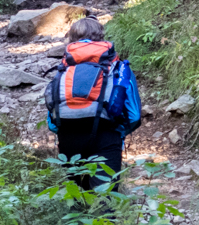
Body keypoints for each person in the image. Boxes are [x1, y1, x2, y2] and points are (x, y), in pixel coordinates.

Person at [44, 17, 142, 190]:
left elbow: (52, 121)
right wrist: (118, 132)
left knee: (76, 198)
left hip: (68, 137)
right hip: (107, 136)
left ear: (71, 39)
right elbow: (134, 115)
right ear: (102, 37)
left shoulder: (64, 69)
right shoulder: (117, 67)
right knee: (104, 200)